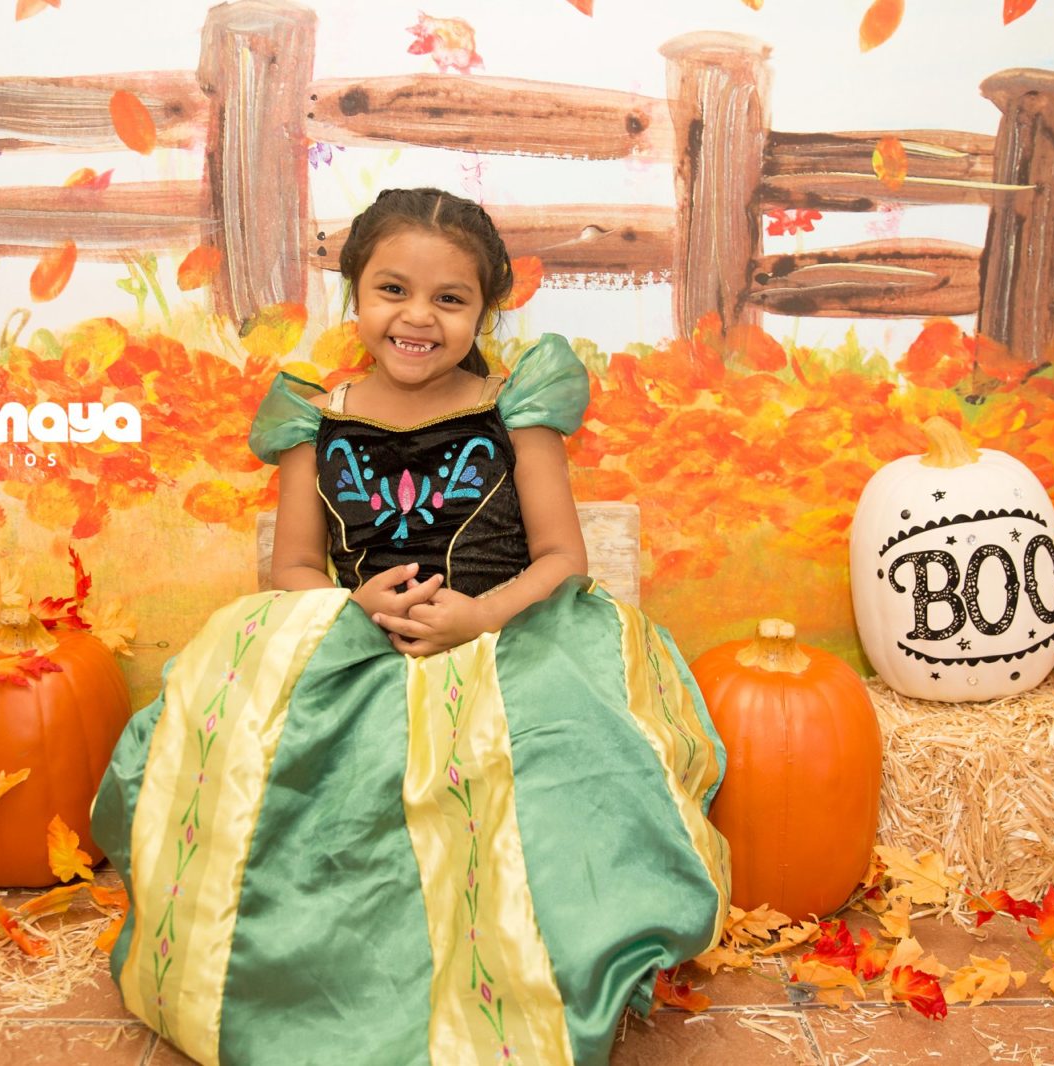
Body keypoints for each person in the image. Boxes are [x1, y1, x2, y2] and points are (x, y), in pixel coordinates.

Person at [92, 188, 730, 1066]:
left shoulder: (516, 411)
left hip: (506, 638)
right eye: (392, 290)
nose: (418, 316)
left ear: (483, 311)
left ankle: (520, 977)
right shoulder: (316, 421)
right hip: (362, 640)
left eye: (449, 298)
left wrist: (479, 615)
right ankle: (321, 979)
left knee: (554, 761)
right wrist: (351, 607)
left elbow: (561, 559)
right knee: (261, 742)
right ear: (354, 295)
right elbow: (294, 568)